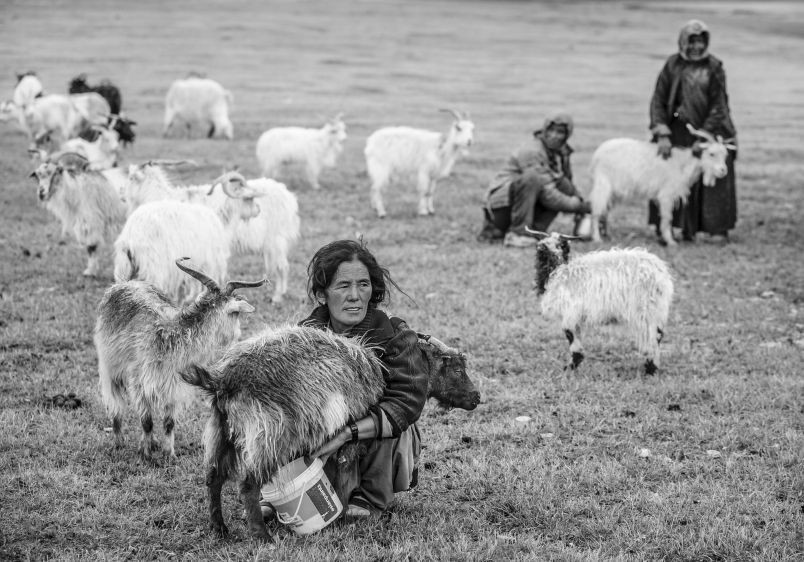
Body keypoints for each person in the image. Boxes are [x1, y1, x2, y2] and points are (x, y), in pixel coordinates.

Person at [299, 239, 428, 520]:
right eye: (343, 286)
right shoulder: (303, 337)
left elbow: (407, 401)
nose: (355, 296)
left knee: (393, 418)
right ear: (322, 295)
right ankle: (288, 489)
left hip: (371, 442)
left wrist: (347, 433)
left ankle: (370, 495)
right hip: (321, 438)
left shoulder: (393, 334)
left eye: (363, 285)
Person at [648, 19, 738, 242]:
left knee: (714, 173)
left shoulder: (714, 67)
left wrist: (704, 136)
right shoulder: (672, 65)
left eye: (701, 42)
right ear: (683, 42)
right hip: (678, 131)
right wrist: (662, 133)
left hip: (709, 130)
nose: (697, 47)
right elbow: (658, 100)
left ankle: (715, 228)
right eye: (692, 41)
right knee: (671, 176)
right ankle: (670, 226)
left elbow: (719, 105)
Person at [477, 111, 591, 248]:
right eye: (551, 130)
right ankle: (518, 234)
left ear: (567, 135)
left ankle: (534, 232)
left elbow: (567, 185)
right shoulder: (532, 151)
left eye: (560, 132)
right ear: (544, 130)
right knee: (532, 177)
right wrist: (576, 205)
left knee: (563, 184)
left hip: (522, 203)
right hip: (499, 209)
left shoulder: (560, 152)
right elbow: (548, 194)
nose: (554, 135)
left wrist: (583, 207)